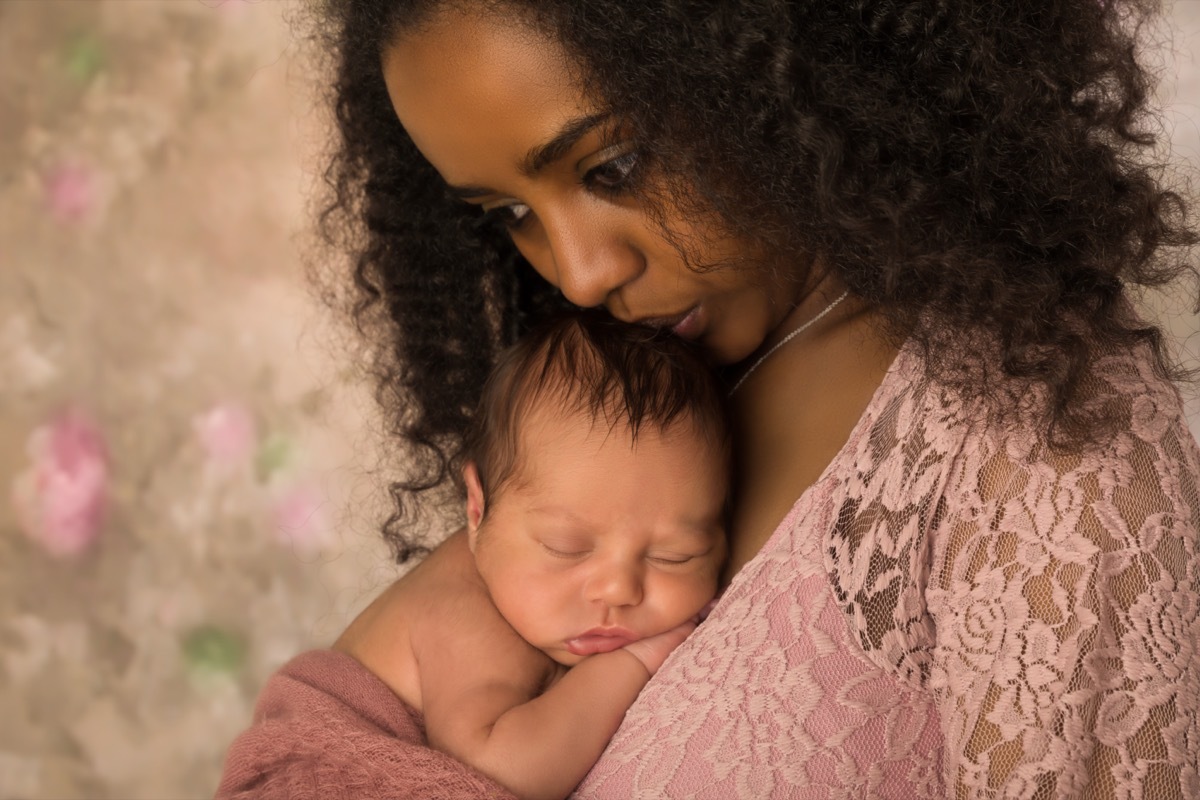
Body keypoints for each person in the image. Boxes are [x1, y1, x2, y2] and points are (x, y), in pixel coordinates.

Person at [229, 0, 1200, 796]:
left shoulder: (1040, 443)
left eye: (612, 167)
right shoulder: (631, 396)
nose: (577, 272)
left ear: (780, 70)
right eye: (512, 215)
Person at [216, 312, 729, 800]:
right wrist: (633, 662)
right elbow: (500, 771)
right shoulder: (466, 614)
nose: (619, 589)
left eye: (674, 556)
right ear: (478, 509)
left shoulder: (531, 592)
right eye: (565, 548)